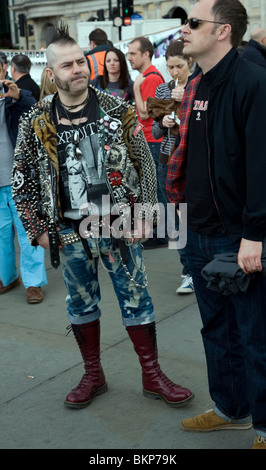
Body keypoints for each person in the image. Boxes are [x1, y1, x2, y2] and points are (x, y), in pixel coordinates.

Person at [12, 23, 194, 410]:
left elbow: (145, 163)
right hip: (69, 229)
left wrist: (146, 215)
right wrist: (37, 230)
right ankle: (93, 374)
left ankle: (152, 374)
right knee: (80, 305)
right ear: (52, 74)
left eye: (81, 61)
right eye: (68, 65)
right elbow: (21, 180)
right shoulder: (36, 121)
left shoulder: (116, 108)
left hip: (121, 225)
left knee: (138, 300)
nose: (78, 69)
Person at [166, 0, 266, 450]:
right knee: (216, 331)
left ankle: (264, 426)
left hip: (239, 235)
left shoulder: (253, 82)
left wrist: (255, 235)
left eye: (194, 23)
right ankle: (232, 410)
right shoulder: (197, 83)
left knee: (255, 335)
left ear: (223, 31)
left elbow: (262, 167)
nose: (184, 29)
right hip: (198, 229)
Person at [0, 58, 47, 304]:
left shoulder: (18, 96)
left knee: (29, 232)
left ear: (4, 69)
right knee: (1, 235)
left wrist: (18, 97)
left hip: (20, 181)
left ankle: (34, 283)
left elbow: (36, 114)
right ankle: (7, 278)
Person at [150, 39, 195, 295]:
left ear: (190, 62)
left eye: (178, 66)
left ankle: (200, 265)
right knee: (175, 218)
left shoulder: (199, 85)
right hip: (168, 158)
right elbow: (155, 130)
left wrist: (187, 97)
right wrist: (164, 122)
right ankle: (187, 270)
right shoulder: (163, 90)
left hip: (193, 160)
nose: (174, 72)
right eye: (170, 67)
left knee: (195, 214)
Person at [128, 36, 167, 248]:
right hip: (150, 140)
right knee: (153, 188)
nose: (129, 58)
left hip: (152, 141)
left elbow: (145, 114)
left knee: (156, 189)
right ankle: (159, 233)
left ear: (146, 54)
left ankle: (160, 235)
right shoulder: (147, 77)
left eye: (133, 53)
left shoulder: (149, 78)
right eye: (129, 53)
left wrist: (136, 89)